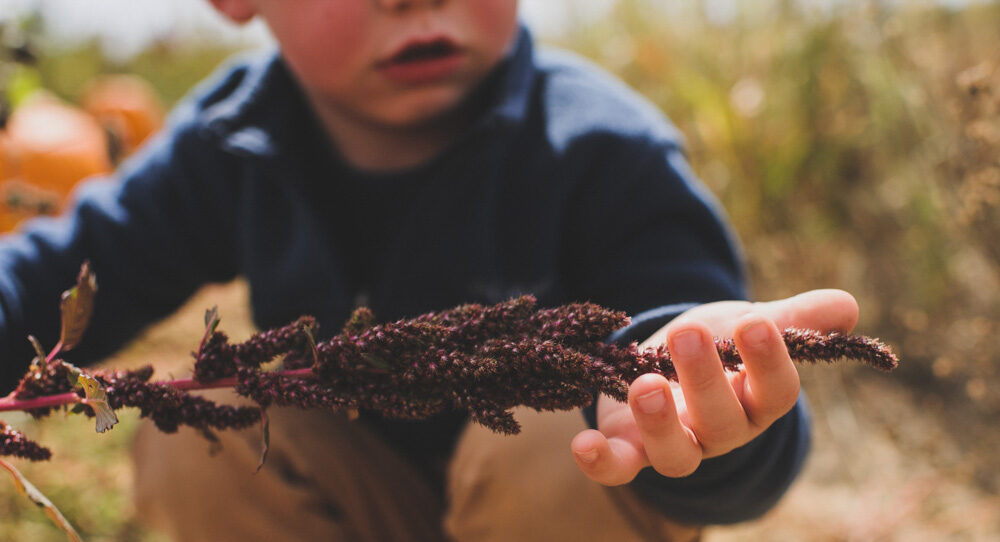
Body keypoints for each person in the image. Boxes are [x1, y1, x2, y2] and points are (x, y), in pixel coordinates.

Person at [0, 0, 861, 540]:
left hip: (565, 513)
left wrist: (705, 400)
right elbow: (55, 279)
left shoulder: (603, 150)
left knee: (568, 432)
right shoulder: (231, 142)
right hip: (349, 500)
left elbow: (702, 364)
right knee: (202, 415)